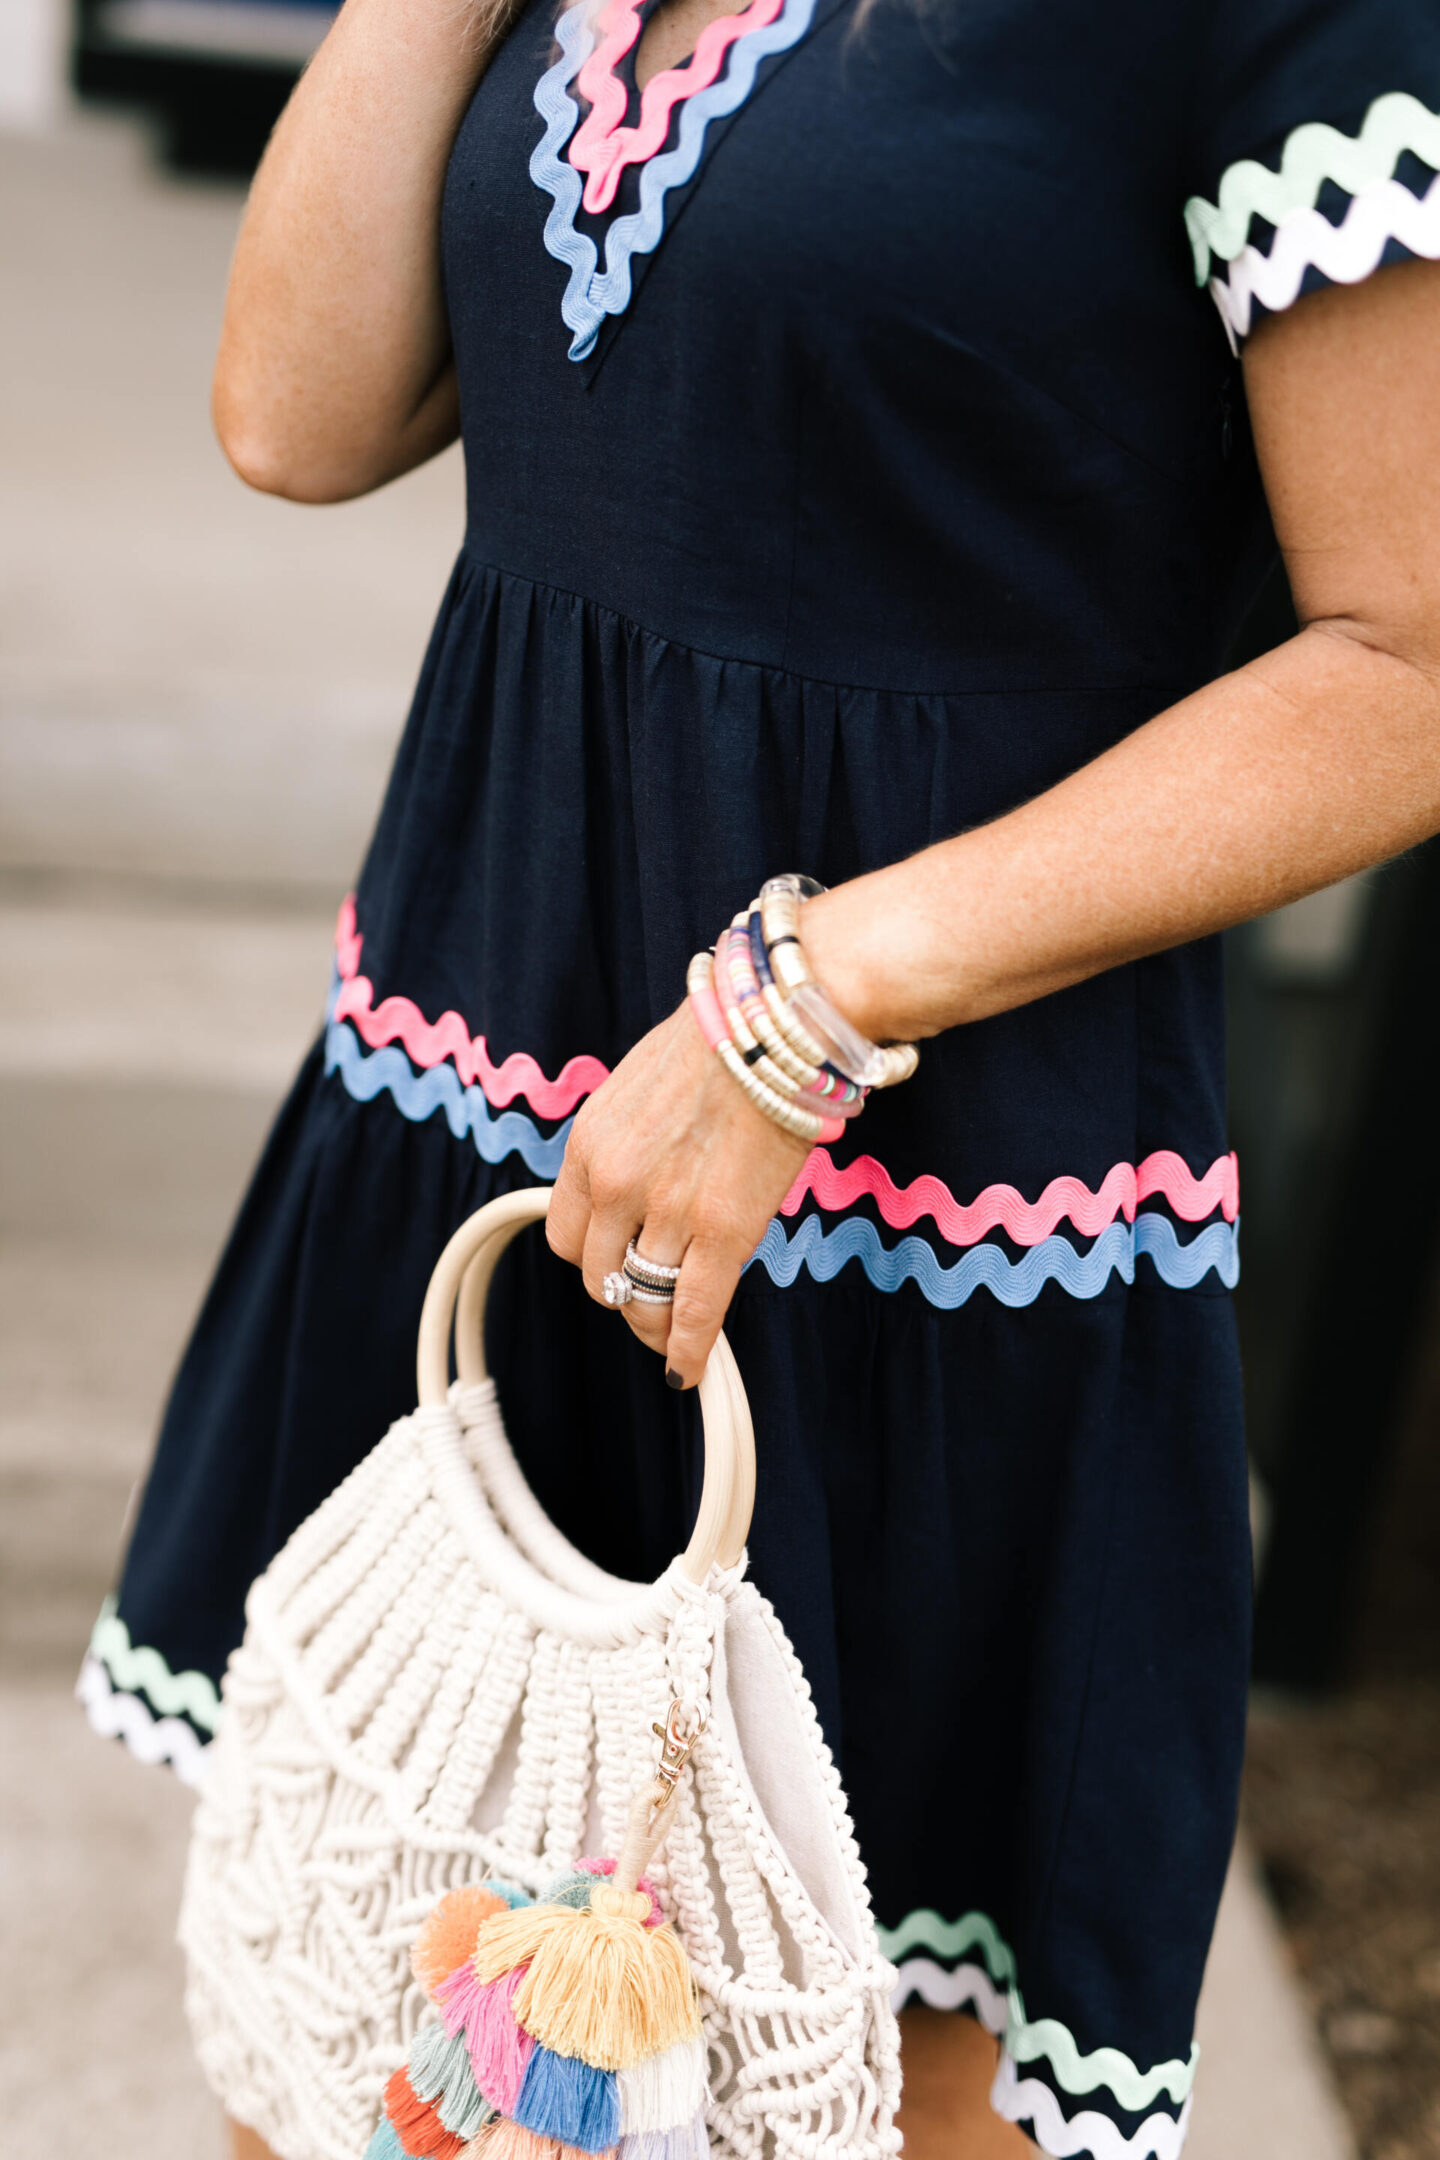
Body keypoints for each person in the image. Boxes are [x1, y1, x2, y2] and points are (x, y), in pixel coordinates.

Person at [84, 0, 1440, 2151]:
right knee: (370, 2064)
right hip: (472, 1136)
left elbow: (1409, 665)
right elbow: (295, 410)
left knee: (854, 2094)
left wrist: (800, 1005)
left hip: (935, 1228)